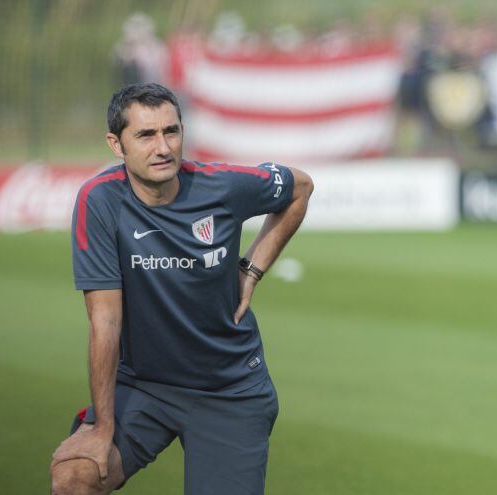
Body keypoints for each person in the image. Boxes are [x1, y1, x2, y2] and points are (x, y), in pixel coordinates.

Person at [49, 82, 313, 494]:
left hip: (229, 390)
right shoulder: (99, 201)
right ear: (116, 145)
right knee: (75, 476)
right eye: (146, 135)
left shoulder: (223, 185)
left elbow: (300, 187)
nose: (163, 147)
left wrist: (252, 268)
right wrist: (102, 428)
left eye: (171, 131)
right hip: (142, 386)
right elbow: (105, 319)